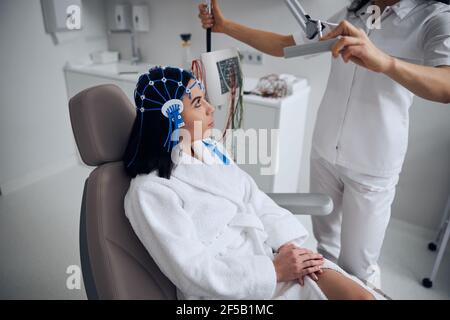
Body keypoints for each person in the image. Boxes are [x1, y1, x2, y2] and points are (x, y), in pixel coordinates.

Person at [198, 0, 450, 288]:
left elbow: (446, 84)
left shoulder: (434, 18)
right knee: (324, 253)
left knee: (358, 268)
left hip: (373, 162)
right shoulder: (356, 12)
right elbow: (286, 45)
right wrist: (225, 26)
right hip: (325, 151)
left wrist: (385, 62)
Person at [122, 66, 385, 300]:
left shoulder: (210, 149)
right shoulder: (151, 190)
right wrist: (273, 270)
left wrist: (287, 246)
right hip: (233, 284)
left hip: (269, 255)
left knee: (360, 295)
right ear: (173, 117)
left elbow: (254, 198)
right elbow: (192, 271)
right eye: (199, 103)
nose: (212, 108)